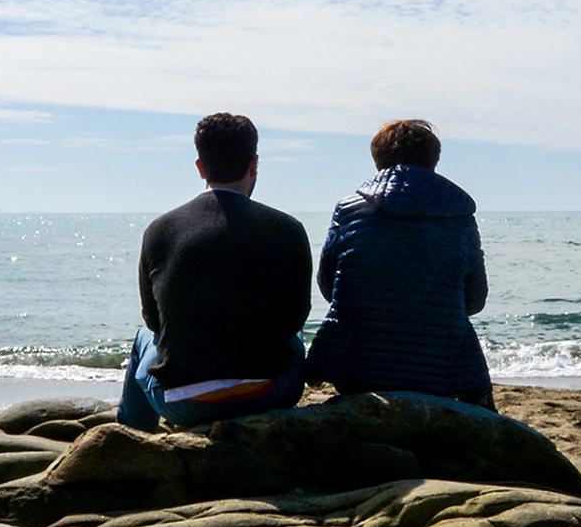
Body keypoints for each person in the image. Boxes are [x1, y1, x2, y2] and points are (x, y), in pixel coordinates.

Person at [118, 112, 312, 433]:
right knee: (296, 336)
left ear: (200, 167)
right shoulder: (288, 229)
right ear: (253, 165)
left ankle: (132, 439)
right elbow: (296, 316)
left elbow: (153, 320)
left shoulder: (160, 230)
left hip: (185, 402)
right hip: (270, 393)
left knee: (143, 335)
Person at [304, 118, 493, 408]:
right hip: (440, 372)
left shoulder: (348, 210)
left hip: (357, 370)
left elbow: (328, 284)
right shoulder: (459, 215)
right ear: (433, 161)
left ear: (378, 161)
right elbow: (476, 299)